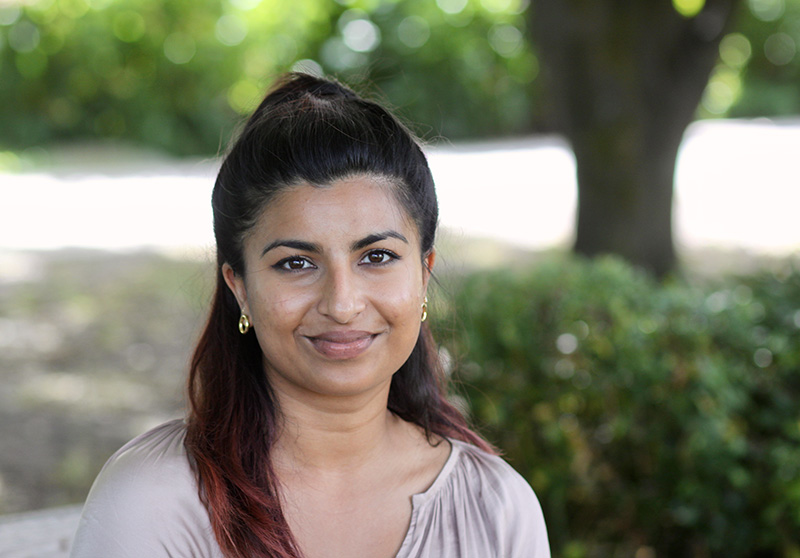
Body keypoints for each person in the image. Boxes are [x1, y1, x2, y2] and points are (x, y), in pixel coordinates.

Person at [70, 73, 550, 558]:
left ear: (424, 274)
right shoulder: (152, 504)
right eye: (296, 264)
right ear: (239, 288)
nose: (342, 304)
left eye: (377, 257)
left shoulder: (497, 510)